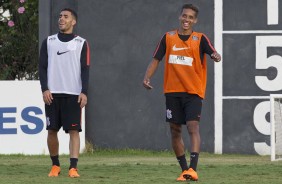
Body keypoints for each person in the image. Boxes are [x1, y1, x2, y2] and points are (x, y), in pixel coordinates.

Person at [143, 4, 221, 182]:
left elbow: (214, 53)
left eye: (191, 17)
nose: (187, 20)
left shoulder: (200, 39)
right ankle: (184, 170)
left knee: (193, 127)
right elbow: (156, 59)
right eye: (185, 16)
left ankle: (193, 169)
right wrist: (147, 77)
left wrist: (216, 56)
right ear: (180, 17)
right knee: (175, 130)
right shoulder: (168, 38)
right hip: (172, 91)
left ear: (195, 21)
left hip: (193, 91)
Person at [39, 8, 90, 178]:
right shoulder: (49, 42)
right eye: (60, 16)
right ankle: (55, 166)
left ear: (73, 22)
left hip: (73, 94)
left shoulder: (82, 43)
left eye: (65, 17)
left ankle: (73, 168)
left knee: (74, 132)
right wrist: (45, 88)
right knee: (51, 130)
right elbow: (42, 67)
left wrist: (84, 92)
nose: (61, 19)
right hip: (52, 94)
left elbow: (85, 69)